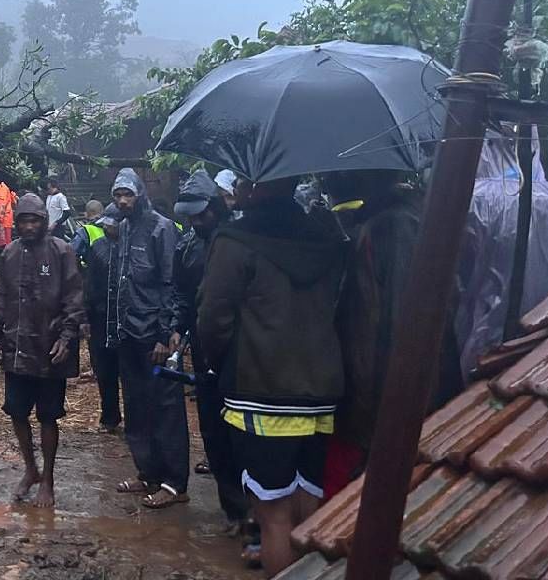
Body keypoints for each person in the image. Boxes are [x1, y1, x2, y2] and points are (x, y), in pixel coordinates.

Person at [195, 176, 347, 578]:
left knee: (273, 517)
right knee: (308, 505)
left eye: (244, 178)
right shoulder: (329, 236)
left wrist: (222, 363)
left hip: (260, 392)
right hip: (321, 392)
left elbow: (212, 320)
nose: (237, 185)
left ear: (255, 186)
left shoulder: (234, 242)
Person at [320, 171, 462, 499]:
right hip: (369, 408)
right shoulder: (387, 221)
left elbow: (404, 331)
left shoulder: (394, 227)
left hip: (375, 412)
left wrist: (386, 426)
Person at [0, 193, 86, 508]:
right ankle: (30, 469)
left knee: (48, 415)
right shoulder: (10, 253)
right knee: (16, 411)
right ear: (16, 223)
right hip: (17, 346)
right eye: (24, 221)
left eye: (35, 220)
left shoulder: (62, 251)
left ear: (44, 222)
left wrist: (68, 336)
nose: (29, 226)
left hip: (49, 345)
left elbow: (74, 297)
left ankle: (49, 478)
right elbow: (0, 293)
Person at [168, 171, 247, 532]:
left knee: (244, 433)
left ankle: (256, 511)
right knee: (213, 431)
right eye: (191, 217)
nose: (197, 222)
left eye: (202, 215)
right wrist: (175, 328)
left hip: (243, 350)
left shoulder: (242, 238)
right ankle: (233, 510)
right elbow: (182, 296)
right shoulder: (187, 247)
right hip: (203, 350)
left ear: (216, 207)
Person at [109, 168, 191, 509]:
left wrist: (164, 334)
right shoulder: (123, 229)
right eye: (118, 195)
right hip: (128, 333)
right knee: (137, 406)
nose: (123, 201)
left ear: (140, 194)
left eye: (128, 194)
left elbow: (171, 284)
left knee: (166, 408)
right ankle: (148, 473)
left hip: (154, 337)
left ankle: (175, 483)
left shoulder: (162, 228)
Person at [85, 204, 124, 432]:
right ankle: (109, 417)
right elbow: (89, 284)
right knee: (105, 372)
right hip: (100, 318)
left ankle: (136, 420)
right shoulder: (98, 247)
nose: (110, 228)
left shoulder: (134, 246)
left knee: (128, 373)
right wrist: (85, 317)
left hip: (127, 321)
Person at [70, 199, 108, 263]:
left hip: (90, 270)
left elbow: (72, 253)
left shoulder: (84, 231)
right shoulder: (111, 227)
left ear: (87, 213)